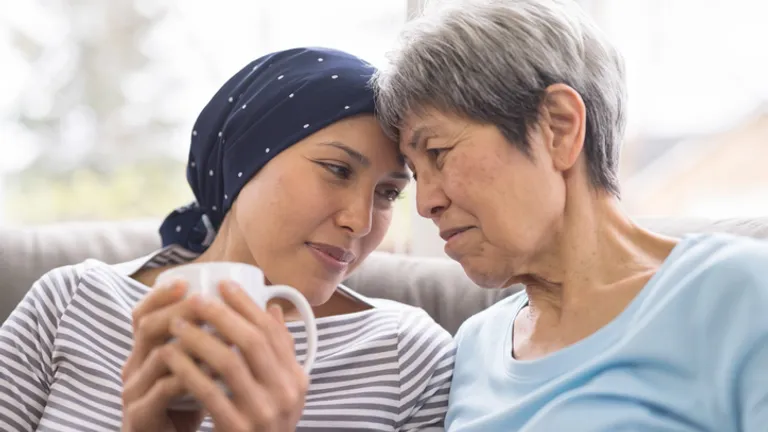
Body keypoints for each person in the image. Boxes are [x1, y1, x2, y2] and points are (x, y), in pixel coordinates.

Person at [0, 47, 455, 432]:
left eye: (389, 193)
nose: (360, 221)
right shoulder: (72, 304)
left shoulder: (409, 356)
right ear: (247, 159)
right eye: (337, 170)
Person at [372, 0, 768, 430]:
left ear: (558, 128)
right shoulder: (474, 344)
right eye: (414, 173)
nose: (426, 202)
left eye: (438, 152)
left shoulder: (739, 291)